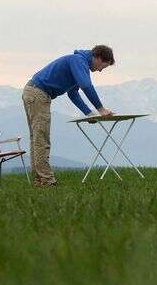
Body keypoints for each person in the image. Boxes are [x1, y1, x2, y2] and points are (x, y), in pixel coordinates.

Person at [22, 45, 115, 186]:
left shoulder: (78, 63)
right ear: (98, 58)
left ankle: (39, 180)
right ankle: (47, 181)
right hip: (38, 94)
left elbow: (73, 93)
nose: (101, 70)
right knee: (41, 138)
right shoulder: (78, 61)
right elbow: (86, 85)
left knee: (36, 138)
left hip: (33, 92)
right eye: (104, 66)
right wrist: (101, 109)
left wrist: (89, 113)